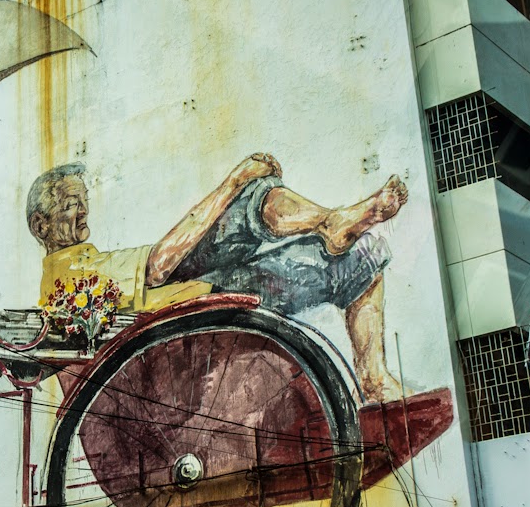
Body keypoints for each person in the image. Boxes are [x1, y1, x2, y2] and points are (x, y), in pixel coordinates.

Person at [26, 153, 409, 402]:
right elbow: (158, 266)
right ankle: (373, 375)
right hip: (198, 317)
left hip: (194, 302)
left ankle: (330, 222)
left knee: (265, 205)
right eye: (71, 205)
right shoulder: (69, 276)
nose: (83, 212)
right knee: (256, 199)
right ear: (41, 225)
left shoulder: (81, 266)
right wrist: (231, 183)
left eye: (83, 202)